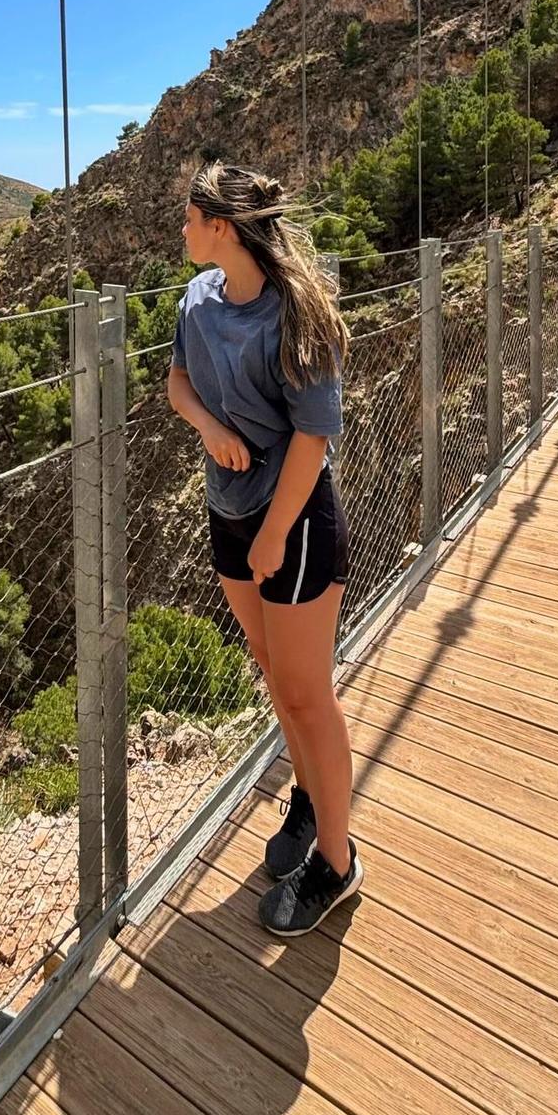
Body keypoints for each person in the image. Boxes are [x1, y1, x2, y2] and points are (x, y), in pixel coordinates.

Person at [167, 159, 361, 936]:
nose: (181, 231)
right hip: (230, 516)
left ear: (222, 227)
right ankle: (311, 805)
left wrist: (276, 535)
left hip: (296, 522)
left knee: (309, 695)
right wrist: (209, 429)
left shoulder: (295, 313)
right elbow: (178, 383)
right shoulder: (197, 299)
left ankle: (340, 865)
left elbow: (315, 436)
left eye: (190, 218)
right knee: (276, 681)